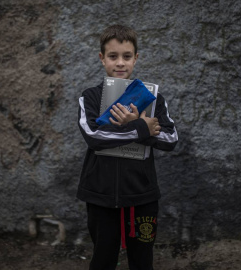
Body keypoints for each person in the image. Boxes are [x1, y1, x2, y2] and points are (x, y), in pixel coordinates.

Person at [77, 24, 178, 270]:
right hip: (101, 194)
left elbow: (171, 139)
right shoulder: (89, 97)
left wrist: (137, 126)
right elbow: (94, 136)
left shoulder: (153, 98)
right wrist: (140, 128)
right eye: (113, 56)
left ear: (136, 58)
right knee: (103, 259)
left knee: (142, 260)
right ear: (102, 59)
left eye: (127, 56)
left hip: (141, 194)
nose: (120, 63)